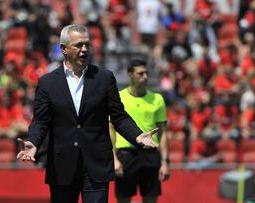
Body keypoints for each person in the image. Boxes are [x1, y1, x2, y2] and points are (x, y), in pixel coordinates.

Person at [16, 24, 159, 203]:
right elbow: (40, 121)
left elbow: (118, 116)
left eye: (87, 45)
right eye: (78, 45)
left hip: (97, 163)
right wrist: (33, 142)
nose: (84, 50)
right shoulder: (47, 83)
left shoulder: (104, 78)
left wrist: (137, 136)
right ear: (64, 49)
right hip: (62, 166)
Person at [109, 58, 170, 203]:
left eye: (147, 73)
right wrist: (114, 158)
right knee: (123, 199)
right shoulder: (119, 98)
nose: (145, 77)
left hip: (150, 154)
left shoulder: (157, 99)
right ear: (130, 74)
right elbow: (111, 130)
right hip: (126, 155)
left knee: (150, 198)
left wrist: (165, 162)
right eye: (140, 73)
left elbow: (162, 133)